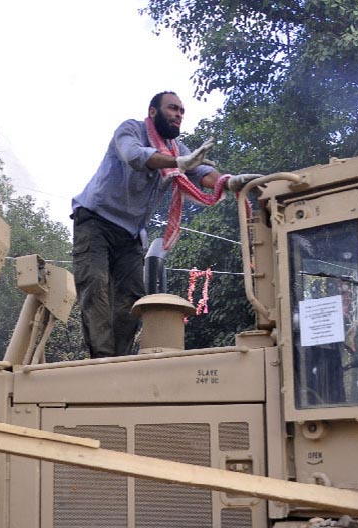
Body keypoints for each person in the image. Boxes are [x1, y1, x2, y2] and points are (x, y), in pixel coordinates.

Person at [71, 91, 261, 358]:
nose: (178, 115)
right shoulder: (130, 130)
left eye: (182, 112)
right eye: (173, 109)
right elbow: (134, 156)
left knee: (133, 299)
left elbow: (203, 173)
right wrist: (178, 163)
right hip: (95, 220)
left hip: (131, 233)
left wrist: (229, 182)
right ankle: (102, 362)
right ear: (153, 112)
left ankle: (119, 362)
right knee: (96, 288)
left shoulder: (176, 150)